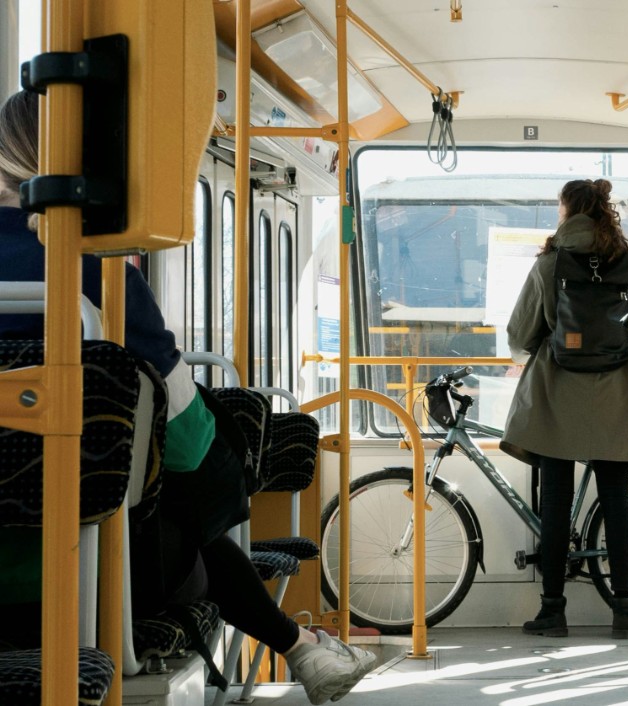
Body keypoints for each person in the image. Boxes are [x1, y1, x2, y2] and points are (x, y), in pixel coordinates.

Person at [0, 89, 373, 705]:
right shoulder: (98, 274)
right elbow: (189, 445)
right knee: (184, 507)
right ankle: (301, 646)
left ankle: (303, 647)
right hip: (91, 578)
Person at [502, 178, 628, 639]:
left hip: (557, 398)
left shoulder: (549, 265)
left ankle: (552, 611)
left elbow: (519, 336)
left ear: (567, 211)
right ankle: (624, 611)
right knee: (616, 501)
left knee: (555, 504)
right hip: (618, 399)